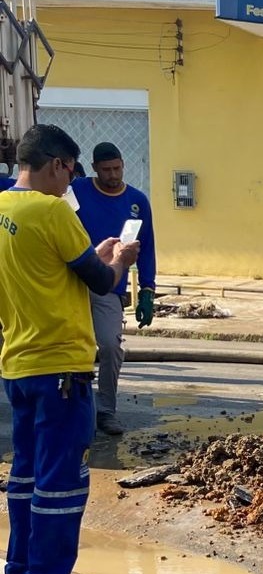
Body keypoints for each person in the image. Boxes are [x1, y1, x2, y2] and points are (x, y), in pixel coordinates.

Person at [0, 123, 139, 574]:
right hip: (62, 367)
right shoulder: (51, 209)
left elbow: (55, 271)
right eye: (71, 171)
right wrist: (120, 259)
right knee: (61, 483)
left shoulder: (3, 208)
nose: (72, 182)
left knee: (26, 476)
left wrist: (97, 257)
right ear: (57, 164)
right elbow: (102, 281)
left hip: (18, 364)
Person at [71, 142, 156, 435]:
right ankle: (71, 410)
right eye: (106, 170)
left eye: (117, 168)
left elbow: (147, 248)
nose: (113, 174)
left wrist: (147, 289)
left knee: (109, 345)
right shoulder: (78, 191)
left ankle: (106, 411)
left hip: (108, 287)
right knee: (70, 349)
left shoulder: (136, 201)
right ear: (94, 168)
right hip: (72, 285)